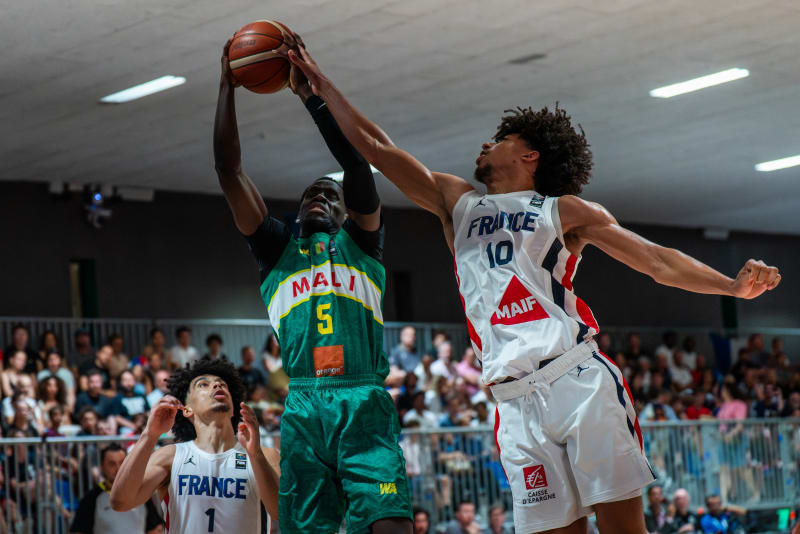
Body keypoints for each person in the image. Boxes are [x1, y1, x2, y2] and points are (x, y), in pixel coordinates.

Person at [287, 40, 782, 534]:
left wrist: (730, 287)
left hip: (577, 381)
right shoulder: (457, 203)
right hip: (513, 401)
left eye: (498, 139)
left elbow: (655, 260)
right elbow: (376, 147)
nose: (484, 145)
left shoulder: (563, 210)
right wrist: (318, 92)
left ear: (529, 155)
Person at [213, 37, 413, 534]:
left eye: (331, 194)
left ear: (347, 214)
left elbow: (355, 164)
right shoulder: (276, 251)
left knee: (392, 526)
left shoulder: (363, 244)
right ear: (297, 212)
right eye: (311, 193)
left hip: (363, 400)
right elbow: (228, 169)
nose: (321, 196)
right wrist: (227, 87)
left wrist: (312, 97)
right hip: (303, 405)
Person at [110, 356, 280, 533]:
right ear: (187, 409)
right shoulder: (170, 456)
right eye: (203, 384)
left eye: (222, 384)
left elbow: (281, 513)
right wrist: (149, 434)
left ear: (233, 406)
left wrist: (255, 455)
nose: (217, 385)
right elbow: (121, 502)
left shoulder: (264, 456)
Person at [70, 444, 162, 534]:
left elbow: (155, 528)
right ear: (102, 467)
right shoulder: (91, 499)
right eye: (112, 464)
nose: (118, 469)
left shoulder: (141, 494)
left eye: (122, 463)